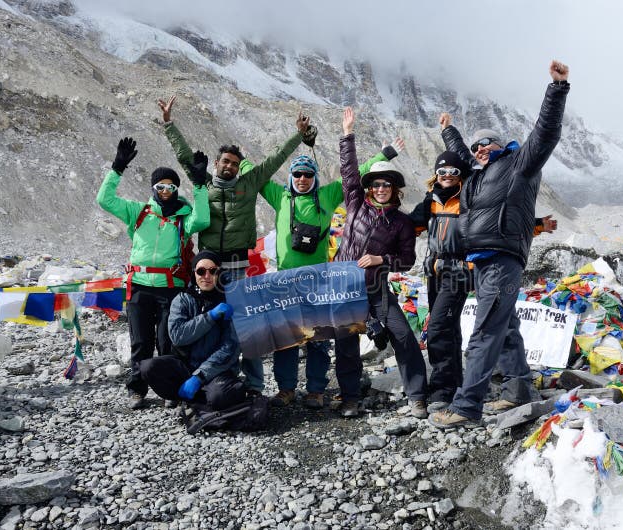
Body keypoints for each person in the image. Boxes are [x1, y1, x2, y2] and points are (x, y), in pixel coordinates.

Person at [428, 60, 570, 429]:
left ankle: (466, 406)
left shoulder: (518, 165)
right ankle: (518, 388)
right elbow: (460, 153)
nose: (478, 150)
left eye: (485, 143)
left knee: (484, 331)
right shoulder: (478, 175)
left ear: (500, 144)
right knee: (504, 327)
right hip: (483, 261)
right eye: (476, 147)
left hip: (502, 258)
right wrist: (450, 132)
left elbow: (546, 133)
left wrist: (556, 89)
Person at [157, 95, 311, 394]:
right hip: (208, 269)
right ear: (217, 164)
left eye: (235, 164)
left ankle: (253, 384)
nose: (230, 166)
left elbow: (275, 159)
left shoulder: (248, 183)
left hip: (239, 267)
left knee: (245, 324)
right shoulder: (204, 183)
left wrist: (298, 135)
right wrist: (168, 124)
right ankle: (198, 376)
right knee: (204, 321)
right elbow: (185, 156)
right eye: (225, 162)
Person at [260, 143, 403, 410]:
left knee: (318, 338)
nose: (303, 179)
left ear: (315, 177)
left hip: (317, 282)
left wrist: (386, 153)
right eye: (298, 174)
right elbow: (257, 175)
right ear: (291, 176)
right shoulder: (278, 196)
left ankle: (316, 390)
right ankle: (286, 389)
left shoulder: (327, 194)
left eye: (308, 174)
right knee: (286, 339)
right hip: (284, 283)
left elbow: (357, 172)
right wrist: (240, 160)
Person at [97, 137, 210, 409]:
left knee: (168, 341)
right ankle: (137, 389)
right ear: (153, 188)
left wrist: (199, 185)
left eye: (171, 186)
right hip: (138, 286)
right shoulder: (138, 211)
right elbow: (104, 199)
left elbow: (204, 219)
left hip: (171, 288)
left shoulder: (184, 216)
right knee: (140, 342)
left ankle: (170, 389)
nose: (166, 191)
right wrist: (117, 168)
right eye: (161, 186)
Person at [335, 106, 427, 418]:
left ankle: (416, 396)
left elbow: (407, 260)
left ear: (394, 189)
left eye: (386, 185)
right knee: (346, 343)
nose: (380, 189)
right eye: (375, 184)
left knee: (402, 335)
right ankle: (349, 397)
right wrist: (348, 135)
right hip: (345, 288)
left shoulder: (402, 223)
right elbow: (349, 171)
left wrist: (380, 259)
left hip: (377, 291)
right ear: (369, 187)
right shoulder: (355, 204)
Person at [139, 250, 247, 412]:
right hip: (186, 366)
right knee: (149, 367)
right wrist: (210, 317)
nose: (206, 276)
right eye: (201, 271)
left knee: (221, 396)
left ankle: (195, 402)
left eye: (213, 271)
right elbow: (178, 336)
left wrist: (200, 376)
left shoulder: (229, 302)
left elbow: (229, 347)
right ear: (194, 274)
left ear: (219, 273)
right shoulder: (182, 299)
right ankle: (192, 399)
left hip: (216, 370)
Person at [409, 150, 472, 413]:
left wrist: (536, 225)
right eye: (442, 171)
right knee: (449, 328)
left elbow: (496, 223)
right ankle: (456, 381)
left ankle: (442, 390)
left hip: (458, 270)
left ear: (461, 175)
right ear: (436, 174)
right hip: (434, 270)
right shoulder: (430, 201)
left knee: (437, 328)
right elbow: (407, 227)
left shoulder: (470, 200)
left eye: (453, 171)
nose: (447, 176)